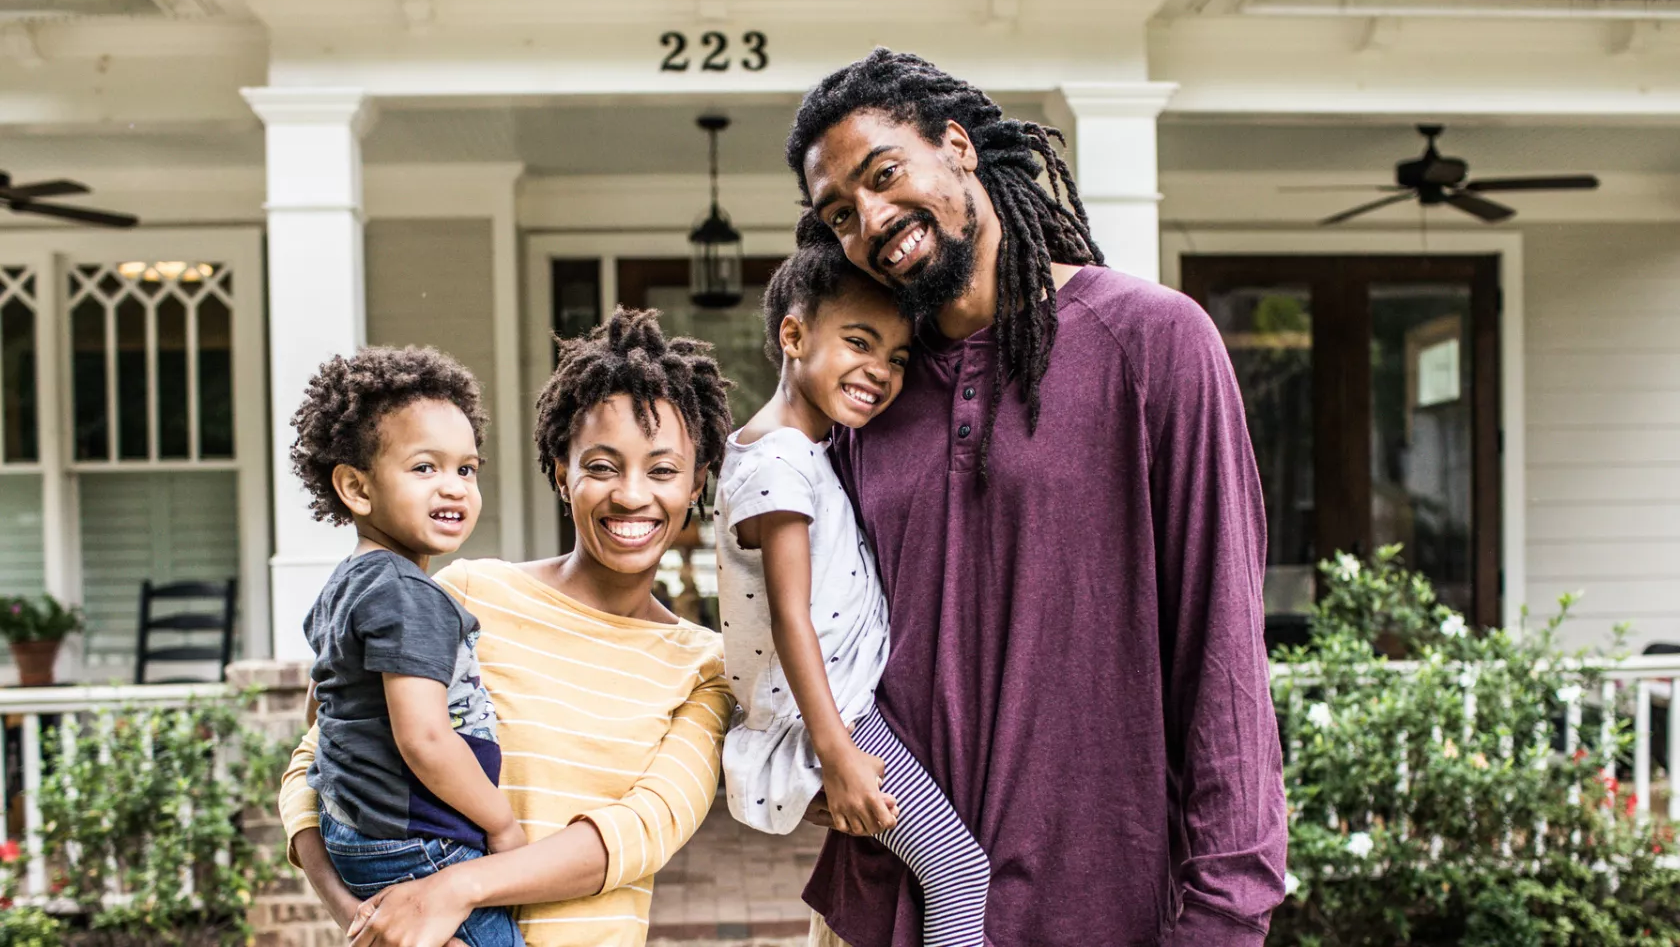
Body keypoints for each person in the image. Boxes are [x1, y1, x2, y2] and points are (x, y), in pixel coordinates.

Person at [785, 49, 1288, 946]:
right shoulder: (866, 400)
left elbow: (1222, 648)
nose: (870, 220)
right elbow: (815, 608)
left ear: (959, 146)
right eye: (839, 214)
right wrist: (813, 753)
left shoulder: (1153, 342)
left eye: (885, 174)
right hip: (897, 903)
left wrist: (1225, 912)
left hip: (1103, 901)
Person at [278, 309, 738, 947]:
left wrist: (454, 889)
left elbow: (639, 832)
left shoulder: (706, 666)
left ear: (696, 486)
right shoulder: (469, 593)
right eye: (602, 466)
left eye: (663, 471)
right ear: (560, 472)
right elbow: (321, 748)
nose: (633, 495)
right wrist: (359, 913)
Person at [716, 233, 990, 947]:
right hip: (839, 720)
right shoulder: (780, 462)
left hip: (837, 711)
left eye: (896, 358)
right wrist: (837, 752)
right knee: (960, 873)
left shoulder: (795, 447)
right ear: (794, 333)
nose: (880, 371)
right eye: (859, 343)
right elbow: (790, 619)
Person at [288, 346, 525, 947]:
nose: (453, 487)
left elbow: (320, 703)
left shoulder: (350, 582)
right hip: (423, 842)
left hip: (359, 830)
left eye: (466, 469)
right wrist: (501, 826)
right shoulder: (407, 593)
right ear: (357, 488)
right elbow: (422, 737)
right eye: (425, 468)